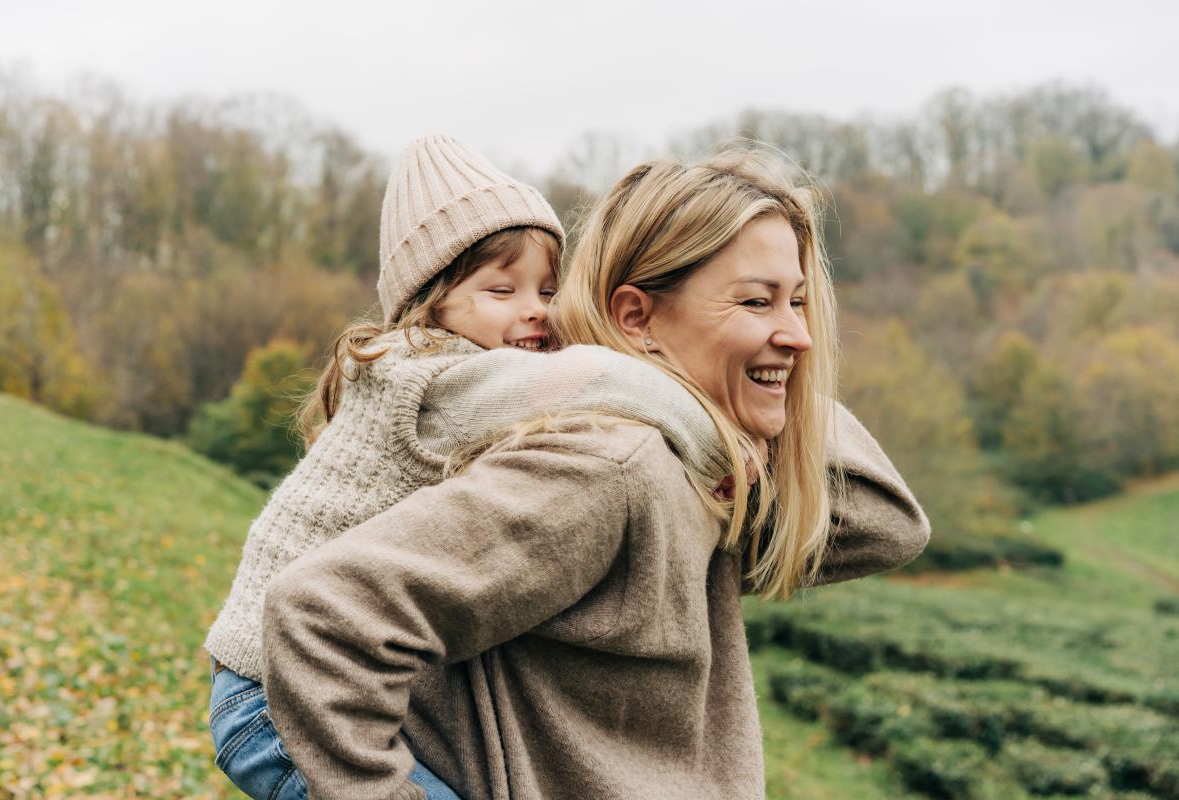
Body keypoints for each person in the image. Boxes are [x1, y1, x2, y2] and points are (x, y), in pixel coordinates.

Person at [260, 148, 932, 800]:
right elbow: (320, 615)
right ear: (635, 316)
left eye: (799, 301)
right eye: (757, 301)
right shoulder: (610, 469)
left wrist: (750, 399)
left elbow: (882, 522)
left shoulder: (698, 472)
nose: (800, 335)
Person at [204, 135, 733, 800]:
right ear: (433, 299)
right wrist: (715, 442)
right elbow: (588, 382)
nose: (535, 310)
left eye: (546, 287)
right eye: (501, 289)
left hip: (293, 681)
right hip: (274, 701)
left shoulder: (436, 366)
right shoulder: (432, 379)